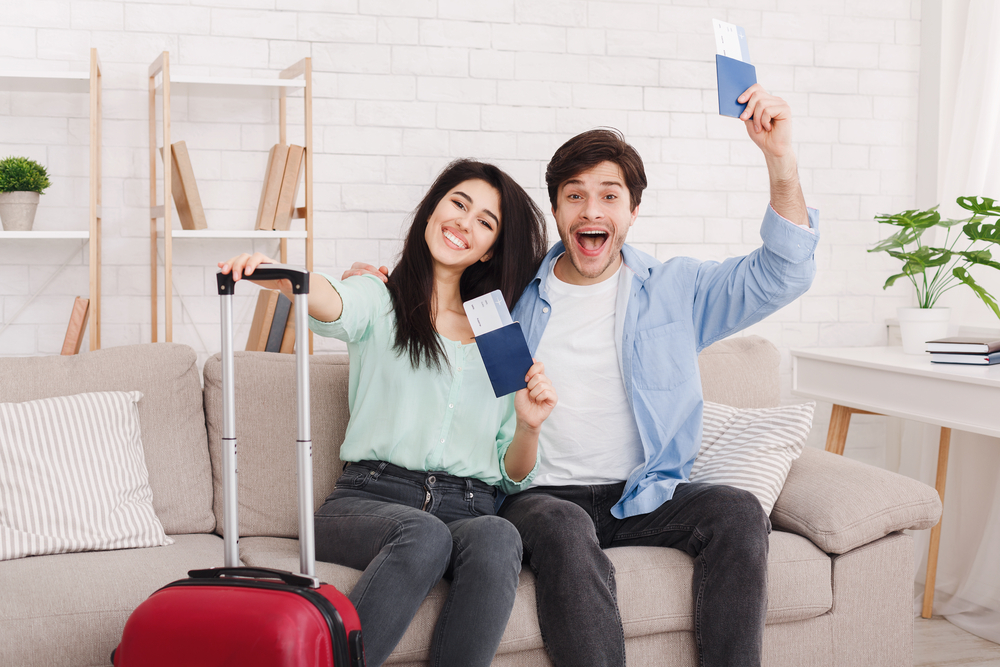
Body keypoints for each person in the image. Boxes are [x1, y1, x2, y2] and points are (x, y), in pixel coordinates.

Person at [346, 84, 819, 666]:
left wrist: (781, 161)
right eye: (575, 196)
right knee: (564, 526)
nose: (592, 211)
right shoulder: (507, 298)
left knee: (739, 511)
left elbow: (784, 275)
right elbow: (439, 290)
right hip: (541, 497)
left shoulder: (677, 292)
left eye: (609, 196)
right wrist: (380, 281)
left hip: (646, 496)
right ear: (557, 211)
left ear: (632, 211)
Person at [218, 159, 557, 667]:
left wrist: (528, 425)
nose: (465, 223)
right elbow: (334, 303)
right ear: (432, 210)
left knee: (499, 533)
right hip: (370, 499)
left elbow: (511, 473)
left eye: (485, 222)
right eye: (458, 205)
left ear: (492, 248)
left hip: (470, 506)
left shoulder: (499, 334)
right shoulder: (381, 297)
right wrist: (282, 277)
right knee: (423, 533)